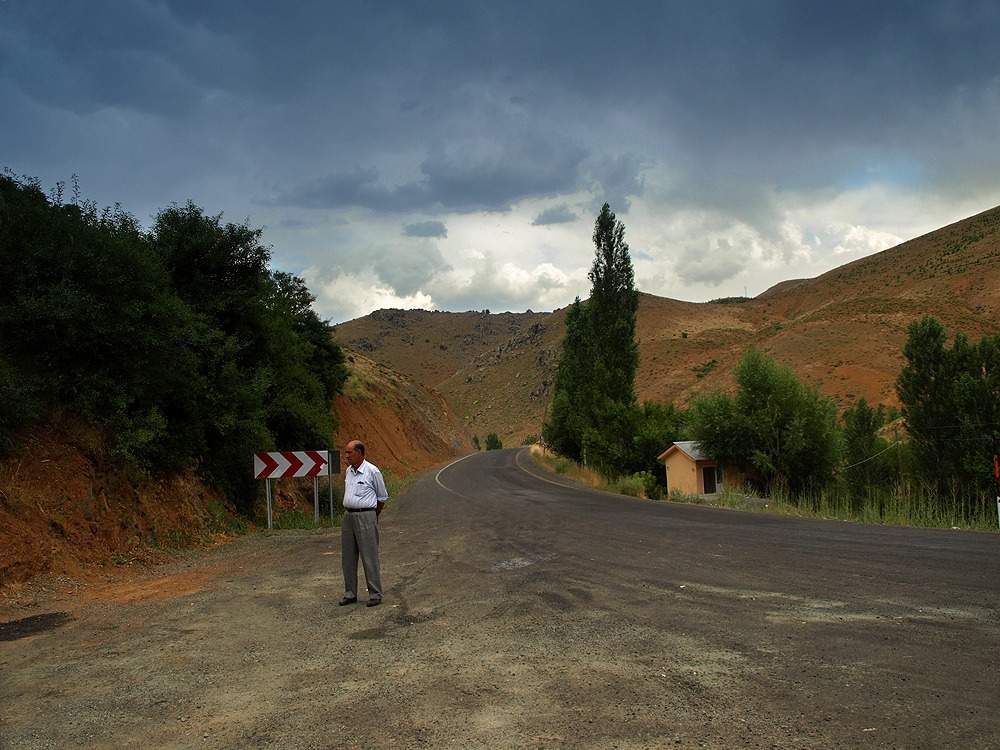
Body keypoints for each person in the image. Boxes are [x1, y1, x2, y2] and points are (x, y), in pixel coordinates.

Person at [339, 440, 388, 607]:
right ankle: (350, 593)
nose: (347, 456)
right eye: (346, 453)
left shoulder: (372, 471)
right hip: (348, 516)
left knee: (369, 556)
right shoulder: (348, 471)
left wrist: (376, 514)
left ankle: (375, 594)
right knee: (348, 557)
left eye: (349, 453)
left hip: (366, 515)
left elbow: (382, 496)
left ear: (359, 453)